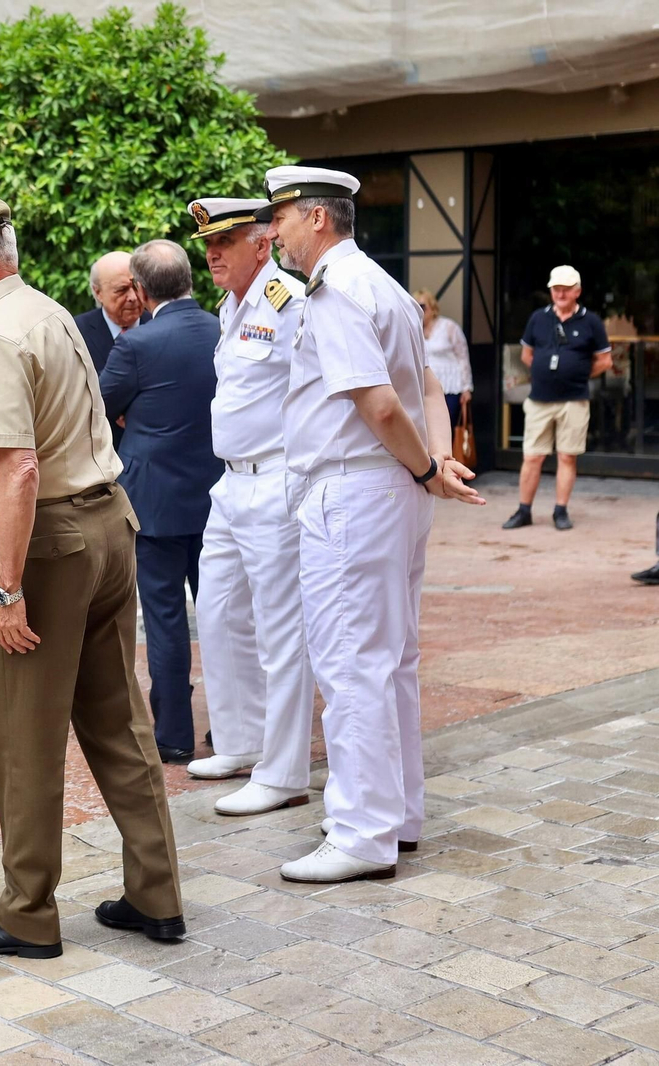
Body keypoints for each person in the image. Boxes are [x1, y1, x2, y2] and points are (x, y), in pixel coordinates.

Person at [0, 195, 184, 959]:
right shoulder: (44, 312)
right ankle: (157, 895)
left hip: (48, 546)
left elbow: (17, 465)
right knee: (121, 721)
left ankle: (27, 912)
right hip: (109, 525)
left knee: (26, 736)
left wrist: (6, 589)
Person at [261, 166, 484, 884]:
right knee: (391, 662)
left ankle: (361, 831)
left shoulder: (334, 290)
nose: (276, 231)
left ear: (318, 219)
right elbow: (422, 390)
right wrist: (432, 465)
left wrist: (426, 468)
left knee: (352, 661)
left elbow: (382, 404)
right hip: (386, 491)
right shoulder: (383, 284)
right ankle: (395, 815)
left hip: (356, 490)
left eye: (284, 216)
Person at [179, 198, 314, 816]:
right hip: (230, 483)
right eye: (208, 243)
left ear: (262, 244)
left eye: (226, 241)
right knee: (219, 611)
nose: (211, 253)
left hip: (275, 478)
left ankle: (283, 771)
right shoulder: (233, 306)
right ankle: (239, 741)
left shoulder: (290, 300)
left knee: (280, 629)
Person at [97, 240, 223, 765]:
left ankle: (172, 734)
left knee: (166, 620)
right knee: (224, 616)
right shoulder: (224, 329)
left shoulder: (137, 346)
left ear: (142, 291)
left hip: (155, 502)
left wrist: (135, 412)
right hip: (220, 493)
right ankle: (233, 725)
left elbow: (100, 405)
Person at [503, 265, 612, 532]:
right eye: (556, 289)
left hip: (574, 400)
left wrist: (577, 374)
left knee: (567, 456)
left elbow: (605, 361)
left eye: (565, 289)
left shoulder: (591, 321)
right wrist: (546, 374)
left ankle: (560, 511)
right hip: (540, 399)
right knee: (532, 457)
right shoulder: (538, 318)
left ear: (577, 291)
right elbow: (527, 355)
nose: (560, 294)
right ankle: (524, 510)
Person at [74, 252, 141, 450]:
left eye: (136, 286)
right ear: (98, 293)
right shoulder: (77, 332)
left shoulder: (158, 324)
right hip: (98, 452)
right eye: (121, 290)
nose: (132, 297)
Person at [412, 290, 472, 429]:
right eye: (416, 306)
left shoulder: (449, 327)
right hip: (424, 387)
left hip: (449, 385)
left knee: (445, 428)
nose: (419, 310)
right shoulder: (414, 329)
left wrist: (466, 388)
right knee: (425, 429)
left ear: (432, 308)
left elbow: (462, 356)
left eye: (422, 306)